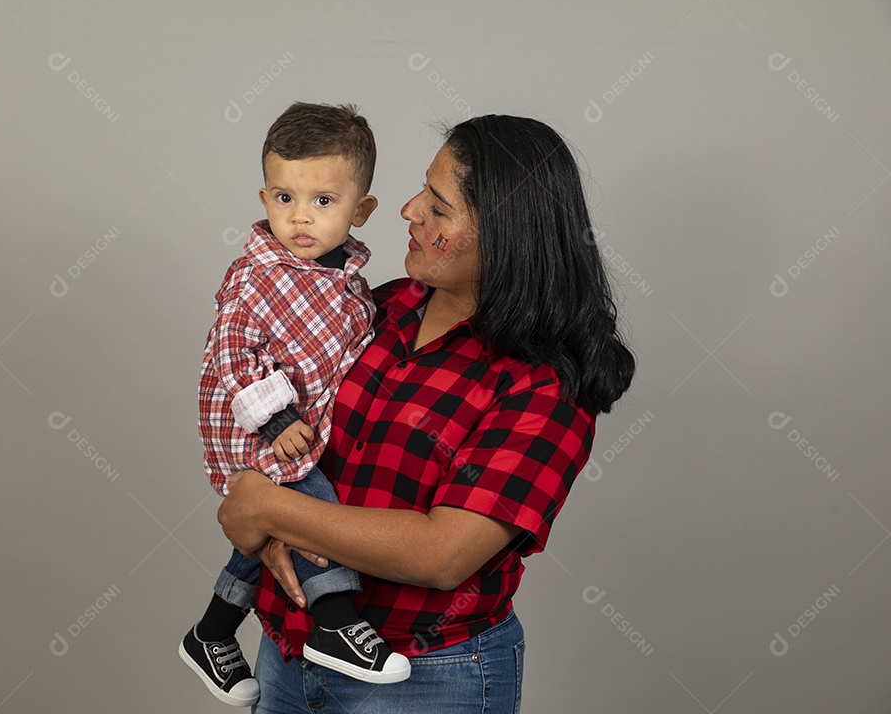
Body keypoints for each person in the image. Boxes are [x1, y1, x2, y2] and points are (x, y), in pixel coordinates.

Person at [216, 114, 637, 713]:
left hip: (427, 675)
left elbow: (443, 554)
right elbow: (272, 416)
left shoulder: (545, 380)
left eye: (438, 207)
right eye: (422, 191)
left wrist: (266, 508)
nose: (409, 210)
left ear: (506, 233)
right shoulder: (376, 307)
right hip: (288, 652)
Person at [179, 102, 411, 709]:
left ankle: (212, 631)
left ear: (362, 210)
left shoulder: (352, 282)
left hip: (304, 424)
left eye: (323, 202)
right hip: (256, 424)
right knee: (310, 503)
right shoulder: (258, 274)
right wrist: (276, 417)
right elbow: (232, 350)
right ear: (263, 197)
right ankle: (333, 617)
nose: (300, 217)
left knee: (271, 526)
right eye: (283, 198)